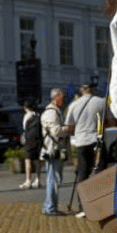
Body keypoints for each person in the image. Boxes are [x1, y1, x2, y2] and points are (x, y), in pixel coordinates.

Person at [63, 83, 107, 213]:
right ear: (92, 90)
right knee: (100, 172)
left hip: (81, 142)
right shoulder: (101, 102)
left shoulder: (73, 105)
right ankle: (102, 203)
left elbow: (69, 126)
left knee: (82, 173)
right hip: (96, 140)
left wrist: (76, 132)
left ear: (82, 91)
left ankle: (82, 205)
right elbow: (109, 122)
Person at [39, 88, 67, 216]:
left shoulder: (54, 111)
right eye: (63, 97)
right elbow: (55, 131)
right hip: (52, 149)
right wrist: (67, 129)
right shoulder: (51, 112)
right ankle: (50, 207)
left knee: (54, 178)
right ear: (57, 97)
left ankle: (51, 206)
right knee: (53, 179)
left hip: (52, 148)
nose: (64, 100)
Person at [18, 101, 42, 189]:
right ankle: (38, 179)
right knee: (38, 160)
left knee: (28, 160)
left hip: (29, 141)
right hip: (38, 140)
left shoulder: (27, 116)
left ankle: (28, 180)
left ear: (25, 107)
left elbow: (25, 128)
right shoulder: (38, 115)